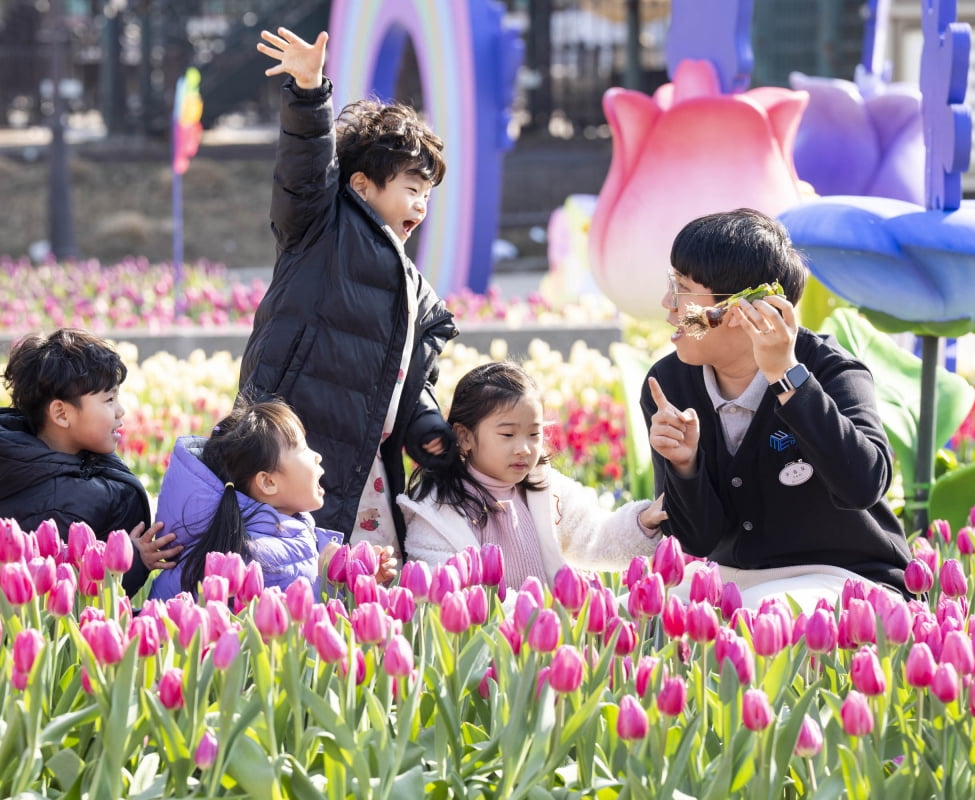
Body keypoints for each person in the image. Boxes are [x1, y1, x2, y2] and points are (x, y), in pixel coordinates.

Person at [238, 27, 458, 560]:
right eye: (411, 189)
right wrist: (310, 92)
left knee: (366, 594)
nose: (421, 206)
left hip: (369, 473)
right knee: (284, 582)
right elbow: (305, 169)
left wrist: (425, 424)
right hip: (291, 454)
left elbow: (412, 377)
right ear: (361, 186)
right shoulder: (320, 228)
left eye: (427, 195)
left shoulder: (419, 293)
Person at [643, 208, 912, 607]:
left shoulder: (830, 370)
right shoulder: (669, 383)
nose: (668, 303)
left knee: (761, 615)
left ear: (737, 308)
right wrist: (685, 468)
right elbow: (697, 540)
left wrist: (786, 377)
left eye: (682, 288)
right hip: (733, 577)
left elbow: (864, 484)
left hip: (845, 577)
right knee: (636, 612)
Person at [0, 328, 179, 597]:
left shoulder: (35, 467)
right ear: (61, 413)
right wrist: (133, 561)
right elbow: (61, 592)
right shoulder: (48, 504)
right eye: (109, 399)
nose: (120, 410)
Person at [398, 362, 665, 588]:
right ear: (464, 437)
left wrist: (643, 523)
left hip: (546, 638)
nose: (524, 448)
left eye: (534, 434)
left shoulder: (547, 491)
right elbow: (440, 589)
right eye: (508, 434)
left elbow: (594, 538)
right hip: (482, 641)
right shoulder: (439, 511)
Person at [149, 400, 396, 601]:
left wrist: (359, 583)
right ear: (268, 483)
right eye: (302, 448)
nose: (317, 456)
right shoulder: (264, 559)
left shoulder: (282, 538)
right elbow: (298, 632)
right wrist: (327, 575)